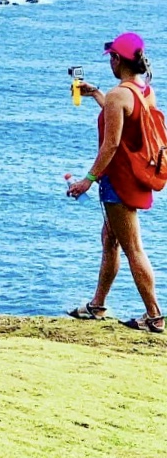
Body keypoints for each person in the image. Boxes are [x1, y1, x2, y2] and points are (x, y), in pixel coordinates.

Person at [67, 32, 164, 332]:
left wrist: (87, 180)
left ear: (117, 59)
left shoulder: (117, 95)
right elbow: (123, 120)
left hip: (118, 181)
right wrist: (97, 94)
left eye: (111, 57)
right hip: (136, 177)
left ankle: (155, 316)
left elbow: (110, 145)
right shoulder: (144, 90)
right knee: (110, 240)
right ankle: (97, 305)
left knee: (132, 247)